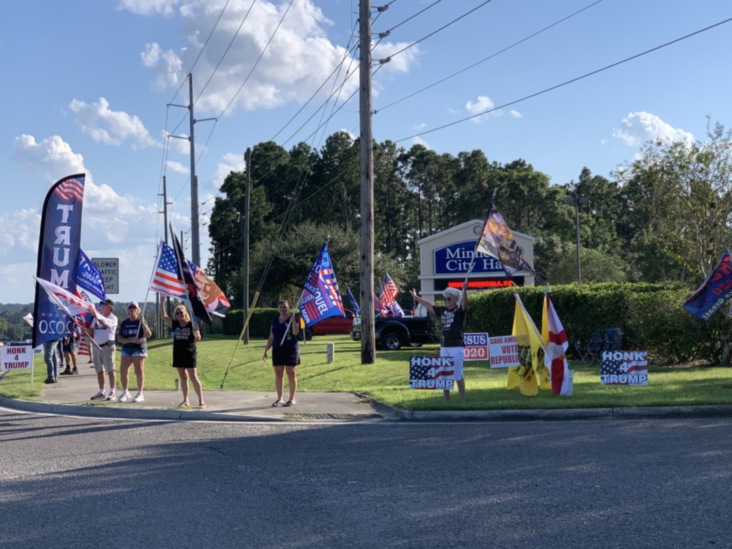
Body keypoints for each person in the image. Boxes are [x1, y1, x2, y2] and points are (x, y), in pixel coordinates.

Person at [410, 281, 469, 403]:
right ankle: (446, 399)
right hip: (444, 346)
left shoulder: (459, 312)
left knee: (457, 373)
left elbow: (464, 304)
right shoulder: (442, 310)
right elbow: (429, 305)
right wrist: (416, 298)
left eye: (448, 299)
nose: (446, 301)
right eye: (445, 299)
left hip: (456, 346)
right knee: (445, 375)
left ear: (455, 299)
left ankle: (462, 400)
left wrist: (465, 290)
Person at [161, 302, 205, 408]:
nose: (179, 314)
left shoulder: (192, 324)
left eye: (181, 312)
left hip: (190, 353)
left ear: (185, 313)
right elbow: (164, 316)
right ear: (175, 315)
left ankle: (201, 401)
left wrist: (196, 333)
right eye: (177, 313)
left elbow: (198, 339)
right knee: (183, 377)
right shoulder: (174, 324)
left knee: (193, 377)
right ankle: (185, 400)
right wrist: (162, 302)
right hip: (178, 353)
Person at [262, 300, 300, 407]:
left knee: (291, 373)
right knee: (279, 374)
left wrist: (293, 322)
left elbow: (295, 333)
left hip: (290, 349)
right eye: (281, 307)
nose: (283, 309)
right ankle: (280, 399)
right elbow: (271, 337)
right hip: (278, 350)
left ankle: (292, 399)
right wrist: (266, 351)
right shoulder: (275, 320)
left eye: (285, 307)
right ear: (278, 309)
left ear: (289, 308)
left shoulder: (293, 319)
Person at [117, 301, 152, 403]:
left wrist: (144, 322)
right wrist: (130, 340)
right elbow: (120, 338)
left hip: (139, 348)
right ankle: (125, 392)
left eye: (134, 308)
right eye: (130, 308)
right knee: (123, 370)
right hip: (127, 348)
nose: (132, 309)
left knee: (138, 370)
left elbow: (148, 334)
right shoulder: (124, 323)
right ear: (127, 310)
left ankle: (140, 393)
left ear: (138, 310)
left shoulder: (141, 322)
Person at [84, 298, 118, 401]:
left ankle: (112, 391)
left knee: (110, 370)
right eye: (102, 305)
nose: (102, 307)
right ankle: (101, 391)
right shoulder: (97, 317)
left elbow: (105, 324)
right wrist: (85, 329)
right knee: (99, 370)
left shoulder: (113, 318)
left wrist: (95, 315)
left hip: (108, 346)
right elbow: (91, 330)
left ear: (110, 307)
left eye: (105, 305)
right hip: (96, 346)